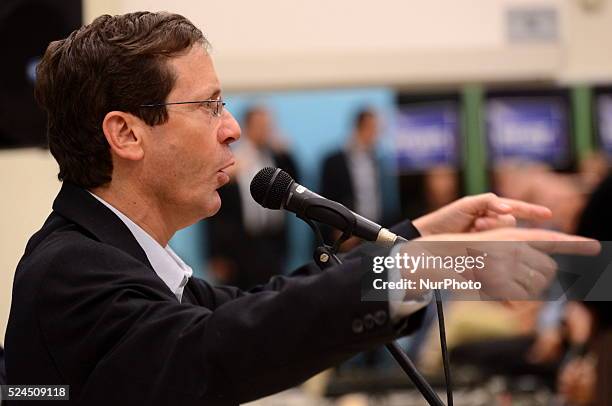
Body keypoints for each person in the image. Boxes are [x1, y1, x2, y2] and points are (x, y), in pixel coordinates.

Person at [4, 12, 597, 406]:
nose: (231, 129)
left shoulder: (123, 258)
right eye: (209, 106)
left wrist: (417, 240)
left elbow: (269, 304)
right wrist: (425, 266)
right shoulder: (72, 269)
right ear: (127, 134)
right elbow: (226, 347)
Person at [206, 106, 299, 289]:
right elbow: (214, 213)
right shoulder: (231, 158)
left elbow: (295, 184)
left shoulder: (277, 156)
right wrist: (215, 254)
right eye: (261, 125)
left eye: (268, 125)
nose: (266, 130)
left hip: (272, 242)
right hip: (240, 246)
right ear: (247, 126)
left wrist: (288, 151)